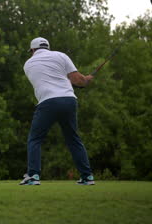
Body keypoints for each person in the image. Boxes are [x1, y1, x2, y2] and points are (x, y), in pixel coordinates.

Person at [19, 37, 95, 186]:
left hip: (47, 102)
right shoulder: (61, 56)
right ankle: (87, 177)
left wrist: (81, 81)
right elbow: (78, 80)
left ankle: (33, 176)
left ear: (33, 50)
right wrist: (86, 80)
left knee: (35, 139)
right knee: (73, 139)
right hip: (69, 100)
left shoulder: (28, 64)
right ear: (47, 47)